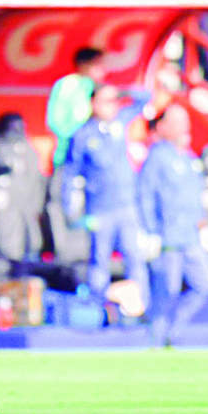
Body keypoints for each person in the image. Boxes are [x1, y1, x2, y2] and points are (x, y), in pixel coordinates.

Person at [63, 83, 151, 315]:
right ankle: (99, 311)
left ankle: (140, 313)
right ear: (92, 103)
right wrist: (70, 208)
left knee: (135, 260)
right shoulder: (82, 135)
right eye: (104, 101)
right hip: (99, 210)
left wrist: (123, 93)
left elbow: (145, 98)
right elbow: (70, 173)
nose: (110, 106)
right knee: (99, 262)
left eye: (113, 101)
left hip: (127, 207)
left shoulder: (119, 123)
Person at [138, 105, 208, 346]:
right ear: (162, 126)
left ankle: (175, 330)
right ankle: (155, 341)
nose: (184, 125)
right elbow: (145, 195)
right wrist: (150, 232)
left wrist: (203, 226)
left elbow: (194, 198)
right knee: (166, 291)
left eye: (185, 120)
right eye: (176, 121)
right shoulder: (158, 157)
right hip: (167, 237)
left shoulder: (191, 159)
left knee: (206, 283)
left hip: (190, 236)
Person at [47, 47, 107, 167]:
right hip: (69, 158)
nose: (103, 69)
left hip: (93, 161)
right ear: (84, 64)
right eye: (98, 64)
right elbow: (57, 122)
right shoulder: (69, 85)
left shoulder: (100, 88)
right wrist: (78, 138)